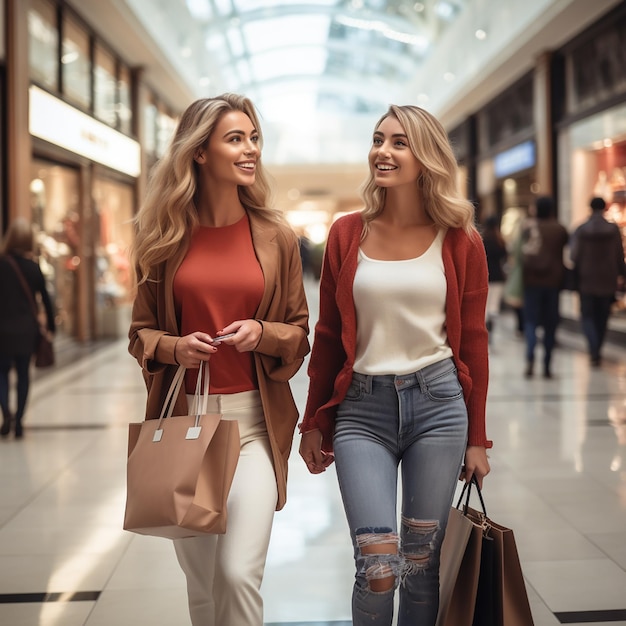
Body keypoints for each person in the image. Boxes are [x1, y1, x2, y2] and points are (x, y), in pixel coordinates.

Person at [299, 104, 491, 626]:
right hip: (363, 410)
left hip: (439, 406)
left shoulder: (461, 238)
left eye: (398, 142)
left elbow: (472, 341)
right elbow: (329, 337)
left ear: (426, 156)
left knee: (420, 564)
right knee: (378, 566)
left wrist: (478, 437)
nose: (382, 151)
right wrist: (315, 419)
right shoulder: (346, 234)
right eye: (378, 139)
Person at [128, 93, 309, 626]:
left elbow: (300, 334)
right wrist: (175, 347)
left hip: (254, 426)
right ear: (199, 152)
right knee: (203, 588)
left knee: (236, 574)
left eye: (254, 137)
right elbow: (140, 334)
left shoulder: (277, 238)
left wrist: (262, 333)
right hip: (185, 424)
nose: (251, 149)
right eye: (236, 138)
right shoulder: (162, 236)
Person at [0, 218, 55, 439]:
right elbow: (46, 300)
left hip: (2, 330)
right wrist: (51, 327)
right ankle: (20, 421)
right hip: (26, 331)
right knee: (23, 375)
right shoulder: (33, 267)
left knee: (1, 373)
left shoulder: (1, 264)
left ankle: (6, 414)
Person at [570, 197, 625, 366]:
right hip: (607, 279)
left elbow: (574, 255)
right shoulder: (613, 229)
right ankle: (597, 348)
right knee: (602, 316)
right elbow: (619, 255)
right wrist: (621, 275)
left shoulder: (580, 229)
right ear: (604, 208)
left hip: (586, 279)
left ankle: (593, 348)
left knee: (587, 316)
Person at [519, 196, 569, 378]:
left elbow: (521, 253)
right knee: (550, 323)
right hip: (553, 282)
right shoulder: (560, 229)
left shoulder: (529, 228)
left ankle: (530, 358)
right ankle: (547, 365)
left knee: (531, 322)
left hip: (532, 282)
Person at [481, 214, 508, 337]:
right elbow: (504, 257)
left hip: (484, 276)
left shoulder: (482, 239)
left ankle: (486, 327)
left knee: (485, 305)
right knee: (494, 305)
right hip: (498, 276)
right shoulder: (499, 240)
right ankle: (491, 328)